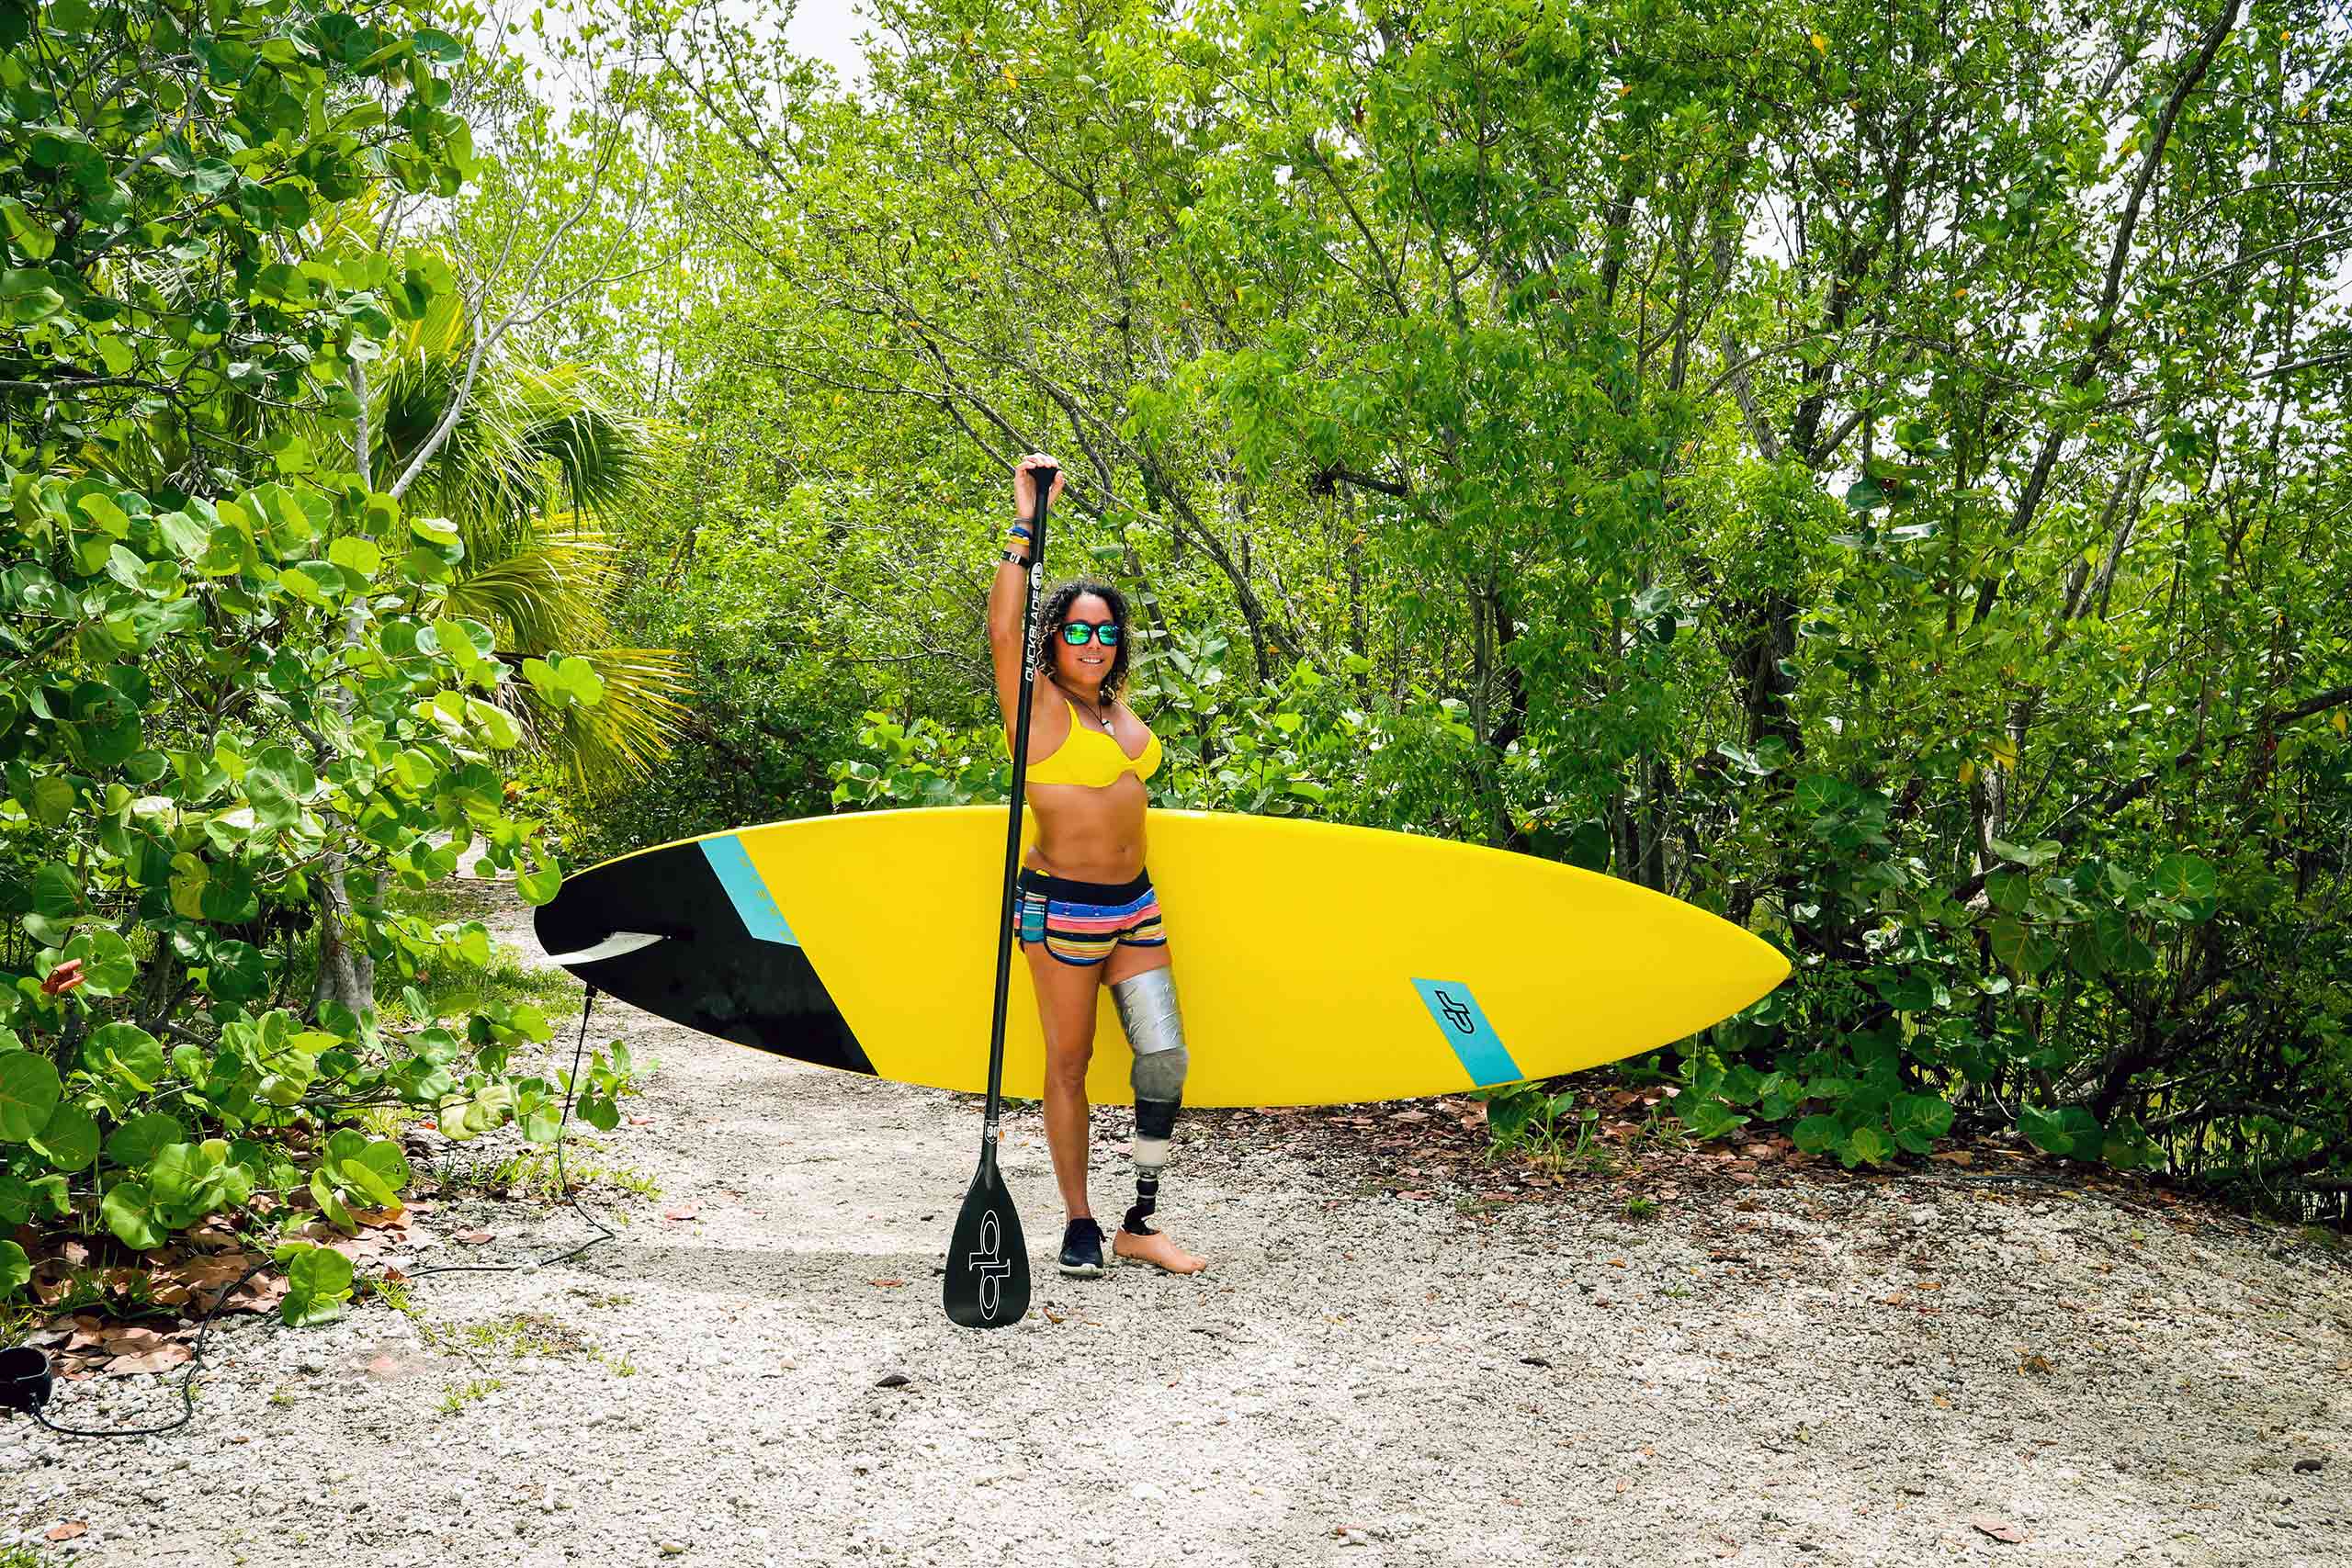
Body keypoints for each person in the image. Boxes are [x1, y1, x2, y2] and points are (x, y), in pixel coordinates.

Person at [986, 452, 1207, 1279]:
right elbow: (1003, 629)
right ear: (1056, 639)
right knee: (1069, 1063)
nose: (1092, 642)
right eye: (1077, 629)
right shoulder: (1035, 706)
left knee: (1164, 1058)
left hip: (1134, 907)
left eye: (1106, 631)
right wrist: (1025, 520)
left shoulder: (1118, 712)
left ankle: (1140, 1219)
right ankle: (1079, 1219)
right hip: (1064, 911)